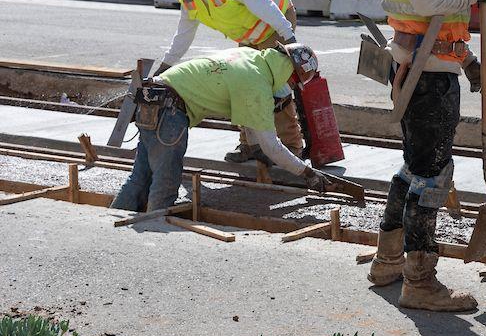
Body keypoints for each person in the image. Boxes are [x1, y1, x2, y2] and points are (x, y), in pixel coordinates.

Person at [370, 0, 486, 312]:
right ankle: (419, 282)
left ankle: (387, 261)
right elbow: (431, 0)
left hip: (420, 67)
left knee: (413, 168)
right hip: (427, 80)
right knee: (431, 176)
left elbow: (432, 25)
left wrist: (468, 61)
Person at [111, 44, 333, 213]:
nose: (290, 88)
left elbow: (248, 117)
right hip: (170, 112)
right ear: (292, 74)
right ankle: (154, 231)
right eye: (294, 84)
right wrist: (306, 172)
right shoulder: (257, 83)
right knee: (166, 182)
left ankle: (108, 223)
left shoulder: (251, 58)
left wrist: (254, 146)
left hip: (153, 101)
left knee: (141, 177)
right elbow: (272, 146)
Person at [153, 0, 304, 163]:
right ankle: (250, 145)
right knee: (242, 82)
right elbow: (184, 34)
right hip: (250, 33)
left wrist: (288, 37)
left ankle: (291, 146)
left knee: (275, 86)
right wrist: (165, 66)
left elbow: (262, 4)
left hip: (276, 20)